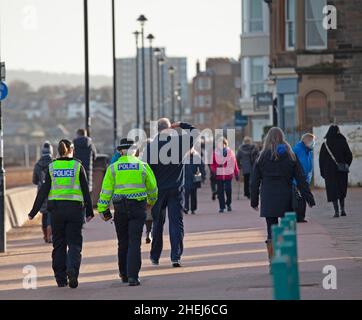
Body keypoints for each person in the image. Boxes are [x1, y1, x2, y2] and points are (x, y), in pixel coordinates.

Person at [28, 139, 94, 288]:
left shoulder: (52, 167)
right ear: (71, 150)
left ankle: (61, 279)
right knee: (75, 243)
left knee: (59, 245)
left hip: (56, 212)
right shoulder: (78, 166)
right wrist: (89, 211)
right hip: (75, 211)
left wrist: (33, 211)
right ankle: (72, 270)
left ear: (58, 151)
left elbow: (43, 191)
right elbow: (85, 190)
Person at [250, 127, 315, 272]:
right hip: (286, 197)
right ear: (282, 137)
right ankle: (287, 261)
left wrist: (254, 201)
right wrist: (308, 197)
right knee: (287, 230)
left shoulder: (262, 156)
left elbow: (254, 182)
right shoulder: (290, 155)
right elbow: (301, 178)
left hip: (268, 198)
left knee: (271, 231)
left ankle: (273, 263)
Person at [98, 138, 158, 286]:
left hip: (120, 209)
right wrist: (151, 201)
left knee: (122, 242)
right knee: (134, 242)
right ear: (135, 150)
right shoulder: (143, 166)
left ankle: (123, 274)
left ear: (120, 151)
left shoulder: (113, 168)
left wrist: (102, 209)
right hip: (138, 208)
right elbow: (153, 188)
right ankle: (133, 276)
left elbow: (105, 191)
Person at [143, 118, 198, 268]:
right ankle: (176, 256)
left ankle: (155, 256)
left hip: (157, 191)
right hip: (176, 189)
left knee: (157, 223)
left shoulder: (151, 146)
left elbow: (145, 171)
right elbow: (195, 132)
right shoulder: (179, 142)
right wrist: (181, 124)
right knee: (176, 222)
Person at [319, 125, 353, 218]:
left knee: (333, 190)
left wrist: (323, 172)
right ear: (338, 131)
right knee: (342, 189)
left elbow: (321, 160)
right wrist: (346, 165)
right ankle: (343, 210)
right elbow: (349, 155)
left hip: (329, 173)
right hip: (341, 171)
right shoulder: (343, 142)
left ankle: (336, 211)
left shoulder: (325, 145)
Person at [32, 141, 54, 243]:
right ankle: (51, 235)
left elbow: (34, 181)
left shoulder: (37, 165)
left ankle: (45, 235)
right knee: (51, 213)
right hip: (53, 191)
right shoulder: (54, 163)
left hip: (41, 192)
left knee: (44, 214)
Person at [210, 137, 239, 213]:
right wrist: (214, 169)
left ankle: (228, 204)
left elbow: (234, 163)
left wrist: (236, 173)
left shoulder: (230, 152)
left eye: (222, 143)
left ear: (225, 144)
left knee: (228, 190)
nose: (220, 145)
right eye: (219, 144)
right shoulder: (215, 153)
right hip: (219, 175)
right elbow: (212, 163)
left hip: (228, 174)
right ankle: (221, 207)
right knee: (220, 192)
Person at [293, 133, 316, 223]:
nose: (313, 143)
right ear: (306, 141)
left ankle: (301, 216)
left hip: (304, 179)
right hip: (296, 179)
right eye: (312, 141)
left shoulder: (308, 151)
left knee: (302, 198)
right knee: (297, 198)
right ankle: (297, 216)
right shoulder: (297, 150)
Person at [183, 148, 206, 215]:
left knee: (193, 194)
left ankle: (193, 209)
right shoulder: (183, 156)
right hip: (185, 178)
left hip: (194, 178)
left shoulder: (196, 156)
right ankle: (186, 208)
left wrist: (203, 175)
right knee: (185, 194)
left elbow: (202, 166)